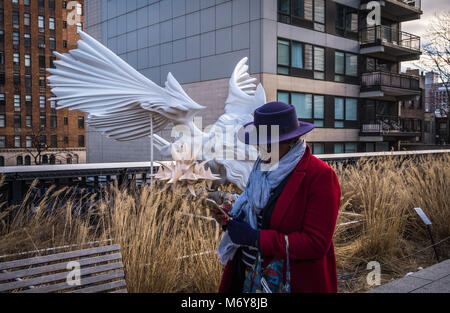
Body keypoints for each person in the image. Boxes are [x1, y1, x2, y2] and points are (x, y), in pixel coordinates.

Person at [213, 101, 341, 293]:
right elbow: (260, 215)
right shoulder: (261, 169)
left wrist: (255, 238)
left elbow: (315, 243)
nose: (259, 148)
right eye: (258, 142)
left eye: (266, 143)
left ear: (289, 140)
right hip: (248, 278)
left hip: (290, 282)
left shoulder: (320, 176)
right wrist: (232, 220)